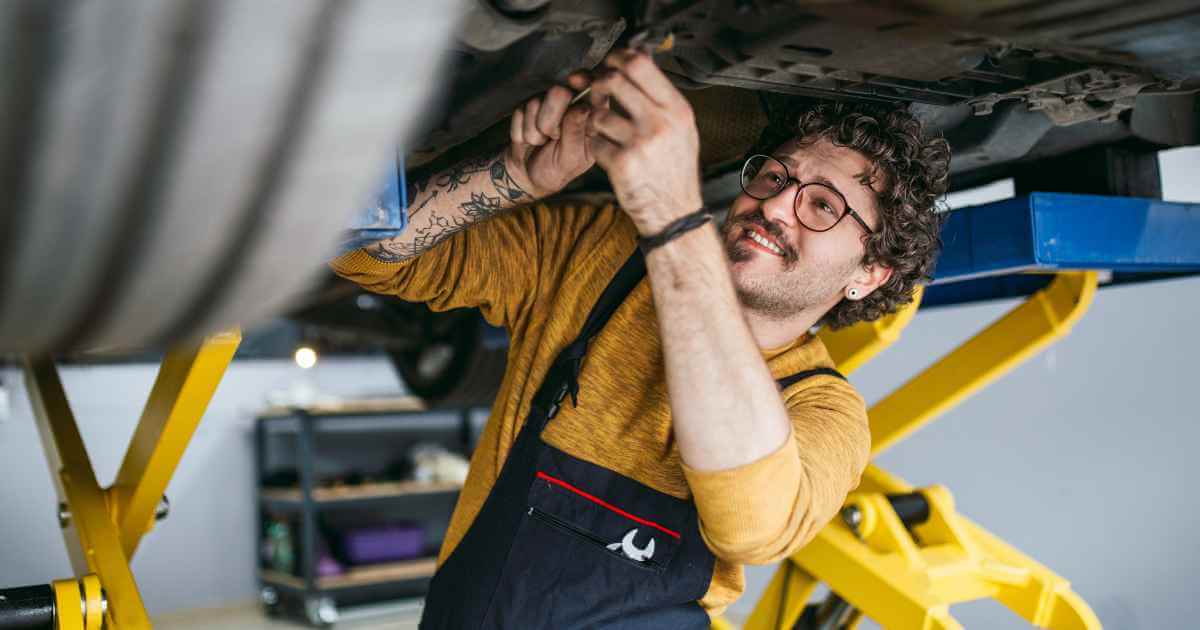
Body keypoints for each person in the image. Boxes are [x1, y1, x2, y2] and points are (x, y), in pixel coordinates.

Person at [330, 48, 950, 628]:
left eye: (823, 207)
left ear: (870, 274)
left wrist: (674, 216)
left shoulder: (824, 411)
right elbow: (368, 255)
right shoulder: (601, 260)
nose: (776, 207)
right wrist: (513, 176)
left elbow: (749, 526)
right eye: (774, 177)